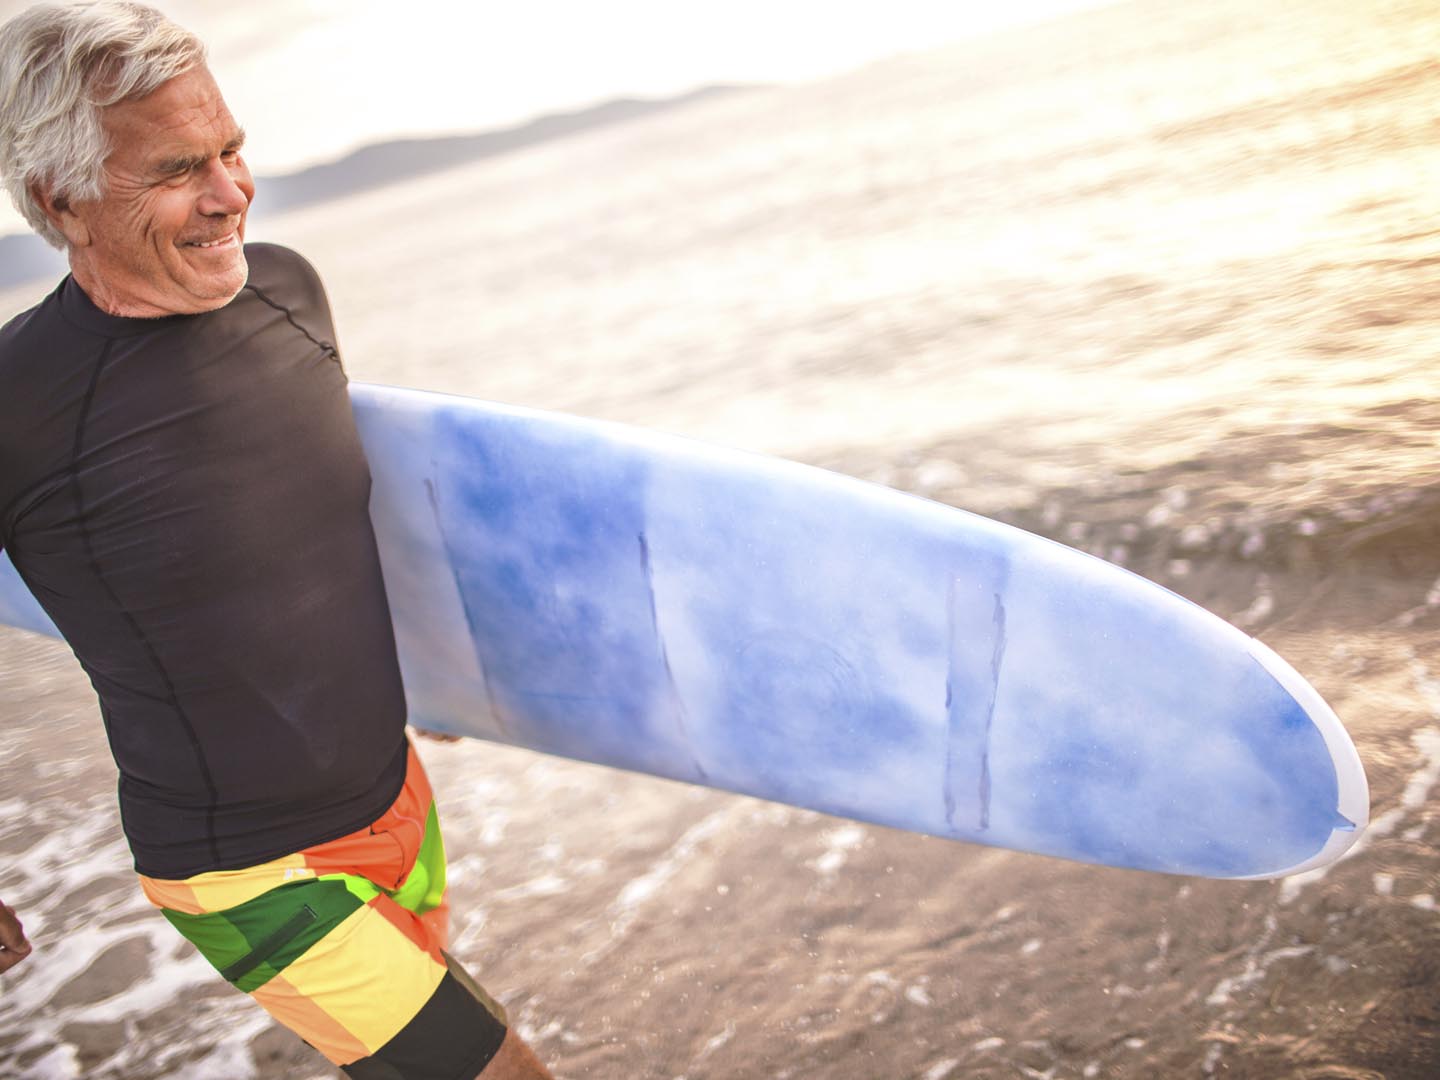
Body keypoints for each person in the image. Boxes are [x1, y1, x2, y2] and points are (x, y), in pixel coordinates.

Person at [0, 4, 553, 1077]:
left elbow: (322, 523)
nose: (230, 196)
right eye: (176, 171)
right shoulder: (17, 403)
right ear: (57, 203)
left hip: (393, 798)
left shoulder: (291, 290)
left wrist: (439, 676)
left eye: (233, 149)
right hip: (246, 870)